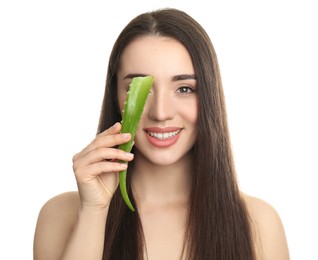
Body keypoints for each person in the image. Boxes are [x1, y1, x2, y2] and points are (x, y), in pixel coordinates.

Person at [33, 8, 290, 260]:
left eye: (185, 89)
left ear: (209, 97)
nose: (161, 112)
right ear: (115, 95)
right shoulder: (61, 216)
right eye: (140, 88)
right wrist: (94, 212)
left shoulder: (260, 223)